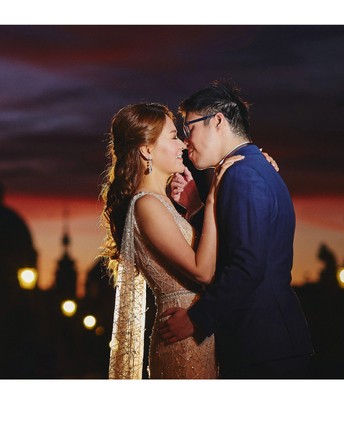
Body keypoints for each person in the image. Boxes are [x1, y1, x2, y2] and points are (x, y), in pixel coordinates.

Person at [160, 81, 313, 379]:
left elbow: (247, 265)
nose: (185, 141)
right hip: (266, 344)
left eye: (189, 128)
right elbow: (234, 244)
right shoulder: (250, 168)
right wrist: (196, 208)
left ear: (217, 121)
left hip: (263, 347)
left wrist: (195, 319)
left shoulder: (242, 174)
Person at [101, 102, 245, 379]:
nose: (182, 144)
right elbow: (202, 271)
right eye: (172, 136)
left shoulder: (160, 203)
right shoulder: (146, 205)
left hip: (193, 331)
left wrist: (195, 209)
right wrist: (214, 199)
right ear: (147, 149)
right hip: (181, 340)